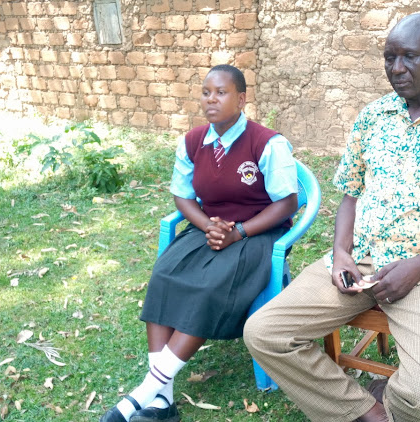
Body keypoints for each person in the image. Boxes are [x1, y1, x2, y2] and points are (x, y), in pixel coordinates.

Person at [244, 13, 420, 422]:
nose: (397, 69)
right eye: (389, 57)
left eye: (409, 57)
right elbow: (350, 194)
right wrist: (341, 253)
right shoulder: (373, 116)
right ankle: (369, 412)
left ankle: (394, 399)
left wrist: (415, 268)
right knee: (265, 333)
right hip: (360, 261)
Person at [100, 64, 299, 422]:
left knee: (207, 288)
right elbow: (183, 197)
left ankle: (143, 395)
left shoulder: (267, 143)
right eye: (206, 92)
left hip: (256, 234)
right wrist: (209, 226)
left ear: (241, 99)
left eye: (221, 93)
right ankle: (163, 402)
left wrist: (238, 231)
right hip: (208, 228)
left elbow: (286, 203)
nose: (211, 99)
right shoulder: (192, 142)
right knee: (164, 277)